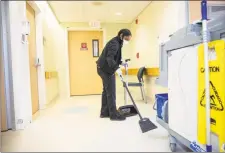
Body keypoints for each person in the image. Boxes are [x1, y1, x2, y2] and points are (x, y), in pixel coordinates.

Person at [96, 29, 132, 121]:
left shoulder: (118, 42)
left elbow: (113, 57)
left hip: (102, 68)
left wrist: (121, 62)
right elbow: (109, 58)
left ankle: (104, 112)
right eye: (126, 39)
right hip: (105, 70)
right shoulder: (115, 43)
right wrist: (116, 68)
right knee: (111, 92)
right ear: (121, 35)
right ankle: (113, 115)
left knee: (106, 91)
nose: (127, 41)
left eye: (128, 40)